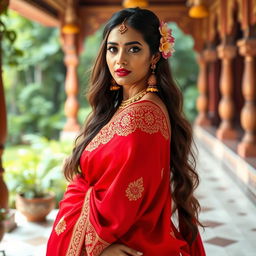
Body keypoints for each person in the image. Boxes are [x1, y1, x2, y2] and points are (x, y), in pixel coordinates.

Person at [46, 7, 206, 256]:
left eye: (134, 49)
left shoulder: (143, 115)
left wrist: (98, 248)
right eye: (113, 48)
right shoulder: (123, 105)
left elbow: (122, 200)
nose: (120, 59)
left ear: (154, 56)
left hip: (128, 243)